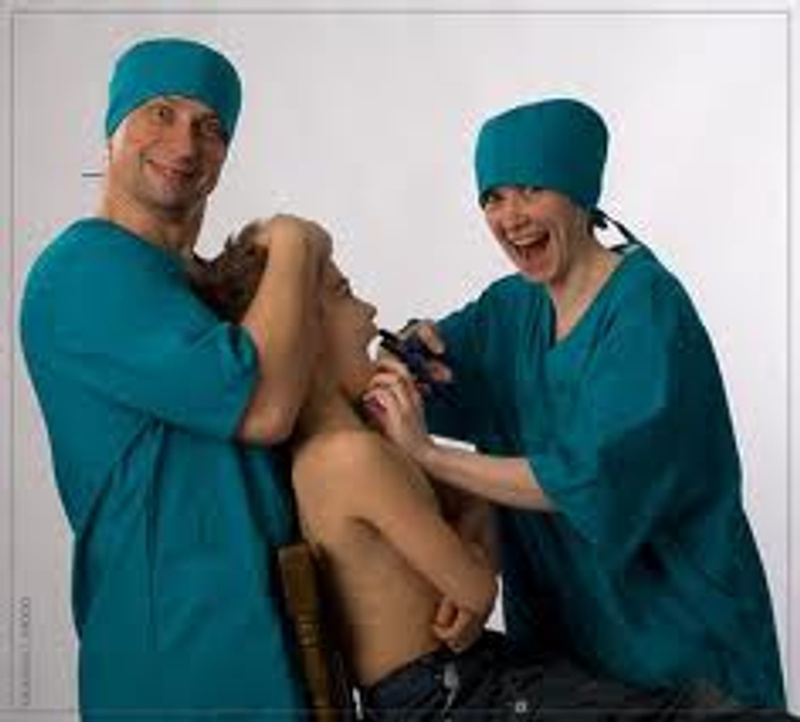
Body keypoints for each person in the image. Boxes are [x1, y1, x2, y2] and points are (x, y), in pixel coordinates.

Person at [191, 228, 760, 721]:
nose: (369, 310)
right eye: (343, 294)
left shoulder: (350, 446)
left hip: (462, 681)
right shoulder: (352, 457)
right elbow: (476, 587)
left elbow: (469, 507)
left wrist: (431, 469)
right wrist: (434, 477)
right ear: (303, 336)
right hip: (450, 697)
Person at [366, 98, 789, 713]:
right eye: (493, 197)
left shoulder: (646, 309)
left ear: (581, 192)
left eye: (532, 189)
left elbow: (585, 479)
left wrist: (428, 456)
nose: (511, 217)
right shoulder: (509, 309)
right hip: (568, 646)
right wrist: (405, 348)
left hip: (679, 637)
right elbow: (403, 386)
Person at [19, 37, 330, 720]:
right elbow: (264, 408)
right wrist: (296, 240)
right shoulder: (84, 270)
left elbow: (329, 399)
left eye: (210, 127)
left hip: (265, 642)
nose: (185, 144)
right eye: (161, 113)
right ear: (114, 127)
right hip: (176, 661)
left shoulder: (199, 285)